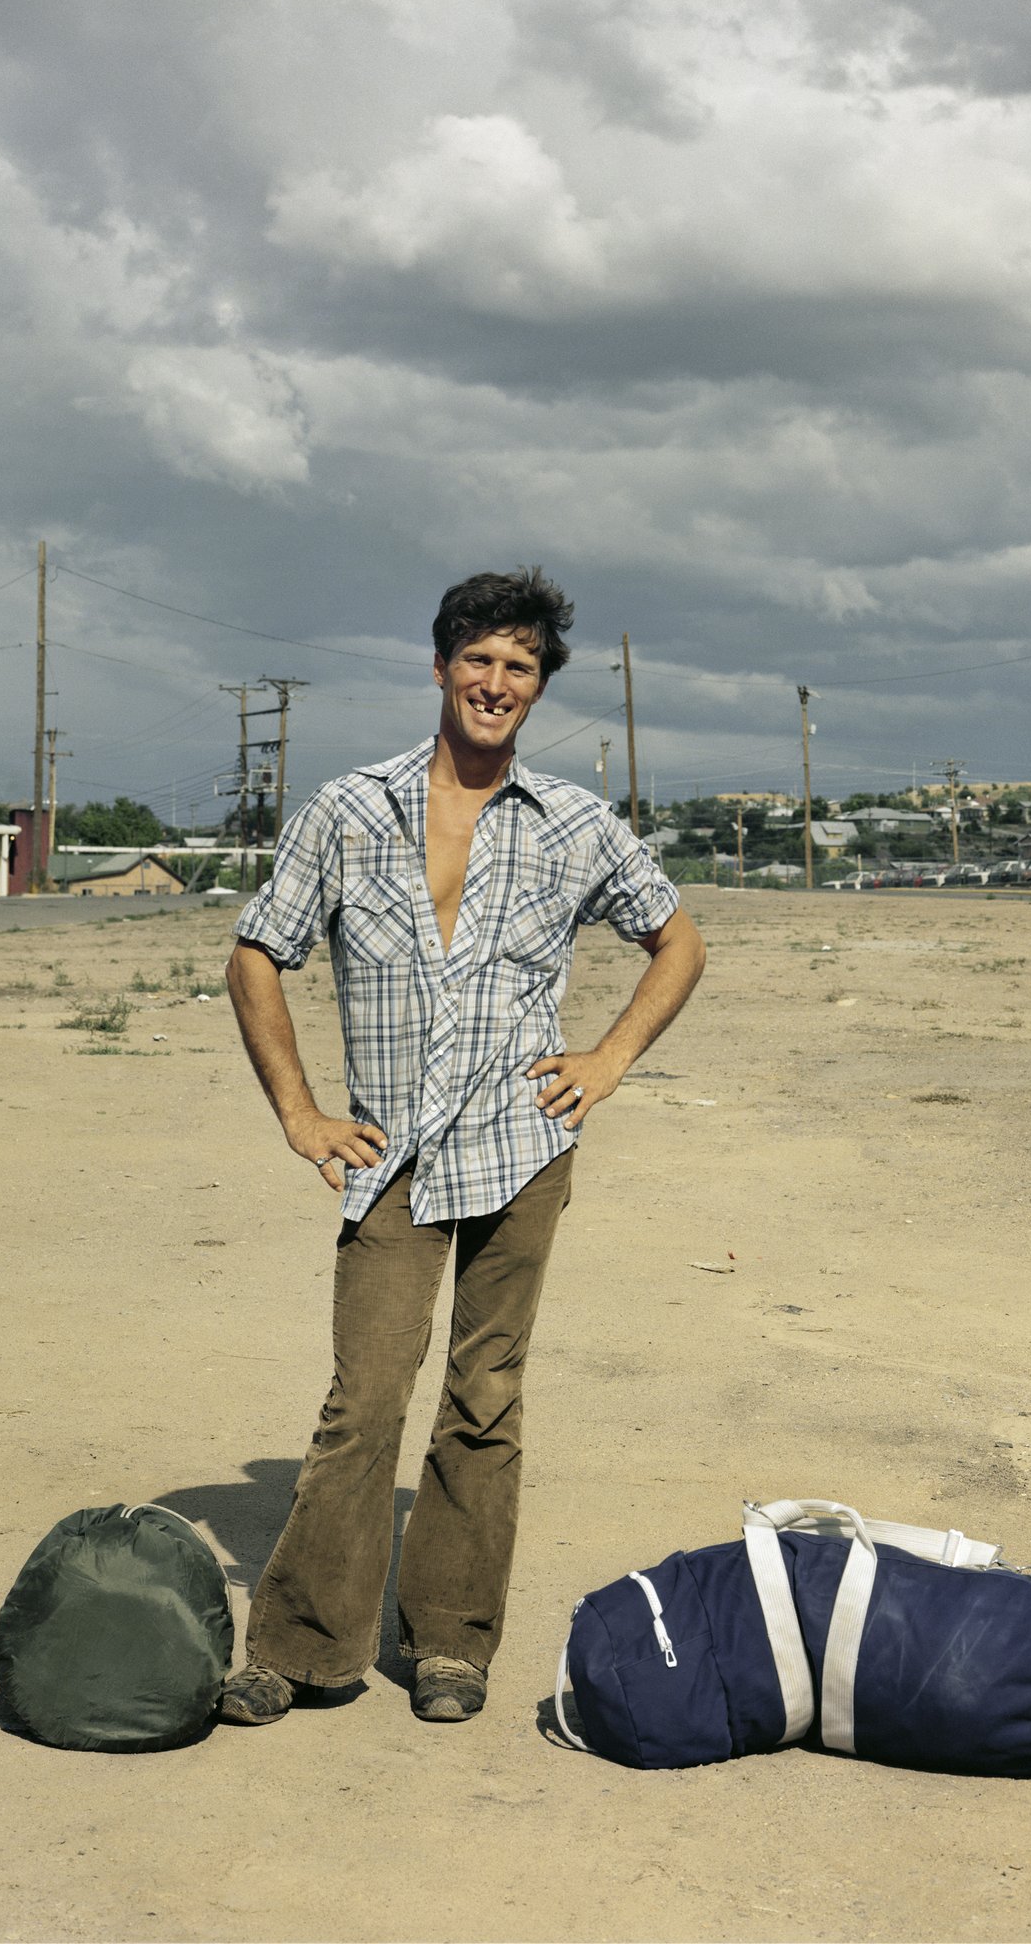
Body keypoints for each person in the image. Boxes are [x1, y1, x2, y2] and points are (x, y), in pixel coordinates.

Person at [218, 567, 706, 1725]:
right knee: (367, 1394)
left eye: (520, 666)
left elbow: (678, 940)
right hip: (390, 1151)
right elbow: (256, 953)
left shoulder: (574, 823)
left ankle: (450, 1642)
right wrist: (297, 1109)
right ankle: (300, 1647)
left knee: (484, 1393)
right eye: (478, 659)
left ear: (539, 687)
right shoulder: (348, 808)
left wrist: (606, 1059)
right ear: (439, 667)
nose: (496, 682)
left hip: (520, 1146)